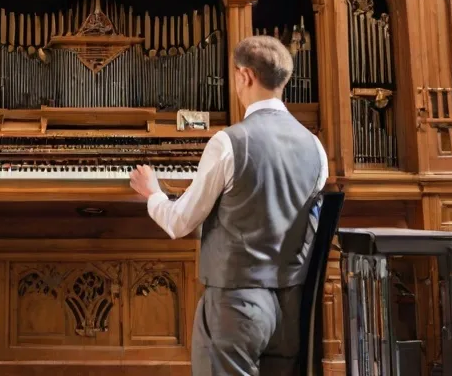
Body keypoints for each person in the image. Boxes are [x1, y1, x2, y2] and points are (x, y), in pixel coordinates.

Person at [130, 35, 328, 376]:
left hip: (237, 307)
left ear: (245, 77)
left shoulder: (229, 142)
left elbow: (179, 222)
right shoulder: (316, 147)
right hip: (290, 308)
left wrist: (154, 194)